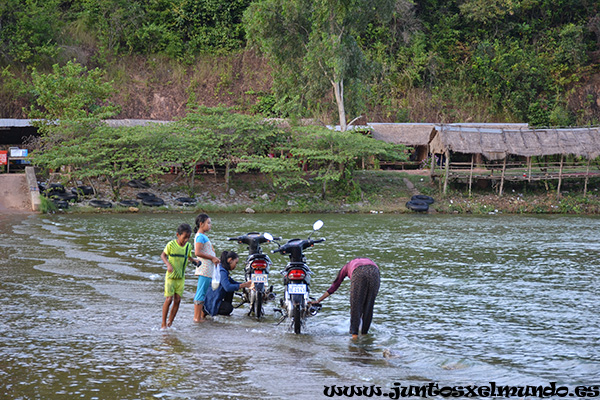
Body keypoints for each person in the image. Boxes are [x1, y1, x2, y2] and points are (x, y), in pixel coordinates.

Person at [311, 258, 380, 339]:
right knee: (369, 306)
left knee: (356, 306)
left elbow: (334, 286)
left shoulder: (346, 267)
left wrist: (318, 300)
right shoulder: (366, 261)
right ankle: (364, 335)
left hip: (359, 272)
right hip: (375, 272)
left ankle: (354, 337)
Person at [160, 223, 200, 329]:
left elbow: (188, 257)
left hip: (181, 277)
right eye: (184, 237)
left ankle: (170, 322)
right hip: (171, 277)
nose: (186, 240)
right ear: (178, 235)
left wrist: (194, 261)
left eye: (188, 237)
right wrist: (168, 264)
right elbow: (163, 255)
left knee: (177, 300)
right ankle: (163, 323)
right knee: (169, 299)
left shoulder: (188, 246)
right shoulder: (171, 245)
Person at [204, 251, 252, 316]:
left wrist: (246, 285)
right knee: (228, 308)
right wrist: (244, 285)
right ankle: (210, 312)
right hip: (211, 302)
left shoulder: (222, 269)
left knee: (232, 289)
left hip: (212, 299)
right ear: (230, 260)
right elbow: (227, 287)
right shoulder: (222, 271)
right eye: (236, 263)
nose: (236, 265)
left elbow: (233, 282)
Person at [192, 213, 220, 322]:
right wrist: (212, 258)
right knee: (201, 292)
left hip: (208, 269)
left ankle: (199, 316)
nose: (210, 225)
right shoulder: (200, 236)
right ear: (201, 224)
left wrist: (215, 258)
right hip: (204, 269)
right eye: (208, 223)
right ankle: (196, 317)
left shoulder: (203, 236)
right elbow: (197, 252)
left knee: (203, 292)